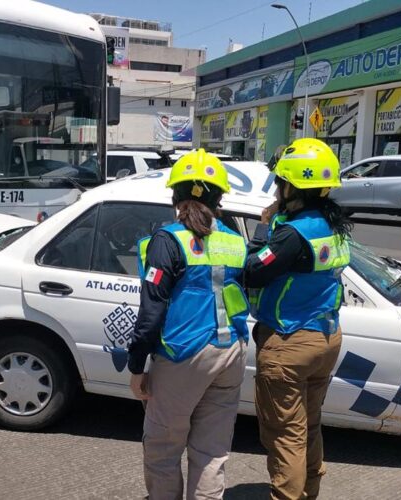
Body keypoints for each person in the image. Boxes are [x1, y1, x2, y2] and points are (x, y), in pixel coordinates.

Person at [128, 149, 249, 500]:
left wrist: (137, 367)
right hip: (231, 352)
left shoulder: (168, 239)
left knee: (164, 447)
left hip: (184, 355)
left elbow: (151, 313)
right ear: (220, 197)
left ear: (176, 195)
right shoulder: (234, 240)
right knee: (211, 452)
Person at [245, 138, 352, 500]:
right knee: (309, 424)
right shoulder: (330, 225)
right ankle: (309, 492)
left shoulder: (292, 235)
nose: (276, 188)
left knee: (286, 433)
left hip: (290, 342)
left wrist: (263, 227)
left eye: (279, 182)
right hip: (326, 337)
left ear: (291, 187)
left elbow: (254, 271)